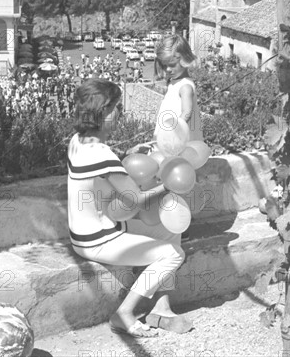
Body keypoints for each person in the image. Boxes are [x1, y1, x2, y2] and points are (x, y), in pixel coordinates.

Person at [67, 79, 193, 338]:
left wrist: (127, 152)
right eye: (116, 108)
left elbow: (102, 171)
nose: (120, 113)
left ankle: (161, 305)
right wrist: (169, 185)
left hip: (84, 234)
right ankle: (124, 312)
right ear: (102, 112)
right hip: (99, 240)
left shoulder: (77, 141)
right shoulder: (102, 155)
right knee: (174, 254)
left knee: (168, 232)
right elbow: (136, 199)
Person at [129, 34, 203, 154]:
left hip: (177, 138)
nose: (168, 69)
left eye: (172, 64)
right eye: (164, 65)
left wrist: (173, 132)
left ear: (184, 60)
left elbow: (187, 112)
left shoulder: (185, 86)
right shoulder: (175, 82)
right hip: (169, 134)